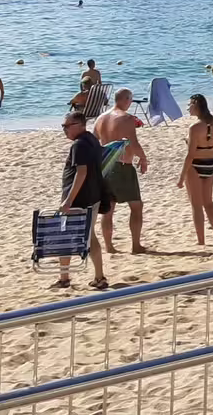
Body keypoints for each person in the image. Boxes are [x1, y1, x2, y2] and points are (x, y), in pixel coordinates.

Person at [57, 111, 110, 289]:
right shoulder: (92, 140)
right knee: (91, 235)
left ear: (80, 125)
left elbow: (81, 172)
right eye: (63, 126)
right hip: (93, 196)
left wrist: (68, 200)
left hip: (80, 199)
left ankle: (64, 278)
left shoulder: (79, 145)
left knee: (65, 236)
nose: (64, 130)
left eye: (67, 126)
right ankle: (99, 276)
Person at [93, 90, 148, 254]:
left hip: (105, 166)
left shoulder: (100, 118)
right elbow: (133, 143)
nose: (131, 103)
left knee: (108, 209)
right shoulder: (126, 118)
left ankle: (109, 247)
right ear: (126, 100)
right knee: (136, 206)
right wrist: (143, 158)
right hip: (122, 165)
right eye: (130, 100)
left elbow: (95, 142)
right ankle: (136, 245)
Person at [175, 94, 213, 245]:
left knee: (196, 205)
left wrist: (181, 177)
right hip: (210, 163)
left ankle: (201, 241)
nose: (188, 107)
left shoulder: (194, 127)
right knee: (208, 202)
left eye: (190, 105)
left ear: (196, 106)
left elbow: (190, 155)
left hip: (195, 164)